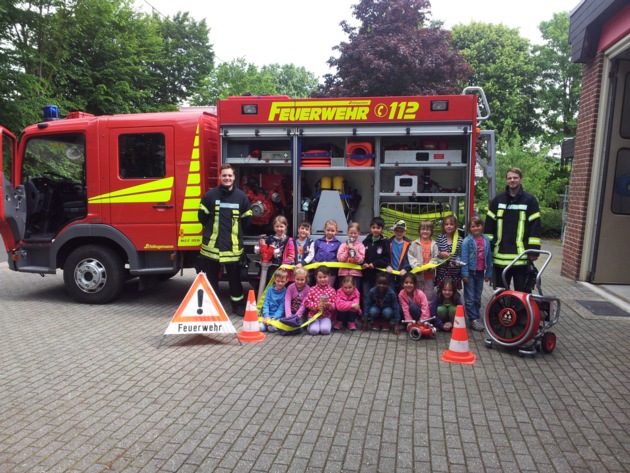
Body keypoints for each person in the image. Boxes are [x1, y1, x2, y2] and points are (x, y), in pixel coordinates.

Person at [197, 164, 252, 315]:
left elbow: (247, 220)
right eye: (224, 175)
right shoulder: (210, 195)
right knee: (211, 280)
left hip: (232, 248)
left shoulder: (241, 197)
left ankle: (238, 307)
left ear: (234, 177)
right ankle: (210, 308)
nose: (227, 178)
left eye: (230, 175)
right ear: (219, 177)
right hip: (212, 248)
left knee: (235, 280)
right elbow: (202, 217)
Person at [484, 167, 541, 293]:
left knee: (522, 292)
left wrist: (534, 251)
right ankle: (502, 313)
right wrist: (489, 249)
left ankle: (521, 313)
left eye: (515, 178)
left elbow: (535, 227)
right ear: (506, 181)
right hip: (499, 257)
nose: (512, 180)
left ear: (521, 179)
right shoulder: (497, 201)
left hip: (520, 258)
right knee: (500, 293)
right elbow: (488, 228)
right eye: (509, 178)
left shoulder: (530, 201)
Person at [461, 216, 493, 332]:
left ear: (482, 226)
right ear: (469, 228)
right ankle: (473, 319)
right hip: (469, 272)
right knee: (469, 298)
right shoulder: (467, 241)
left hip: (480, 273)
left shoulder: (486, 240)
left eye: (478, 225)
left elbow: (489, 257)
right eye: (473, 226)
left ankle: (476, 316)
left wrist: (489, 272)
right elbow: (464, 258)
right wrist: (464, 274)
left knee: (477, 297)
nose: (476, 228)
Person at [407, 220, 439, 304]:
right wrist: (417, 265)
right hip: (417, 276)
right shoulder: (414, 244)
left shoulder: (434, 244)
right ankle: (418, 313)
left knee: (429, 296)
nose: (425, 231)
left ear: (431, 231)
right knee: (417, 295)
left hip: (429, 276)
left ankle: (427, 314)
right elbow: (410, 256)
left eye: (428, 229)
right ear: (419, 231)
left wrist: (430, 266)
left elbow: (436, 258)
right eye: (423, 229)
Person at [255, 215, 295, 283]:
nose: (279, 229)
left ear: (286, 226)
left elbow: (291, 255)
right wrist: (260, 244)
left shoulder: (289, 241)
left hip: (282, 268)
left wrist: (284, 265)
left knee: (280, 284)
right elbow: (263, 250)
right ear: (273, 227)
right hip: (270, 267)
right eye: (277, 226)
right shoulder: (270, 238)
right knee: (267, 284)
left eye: (281, 226)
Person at [361, 216, 390, 308]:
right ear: (370, 228)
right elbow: (361, 255)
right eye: (373, 227)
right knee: (365, 295)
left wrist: (375, 264)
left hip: (378, 276)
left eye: (378, 228)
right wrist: (364, 263)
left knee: (377, 296)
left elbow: (386, 259)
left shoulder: (385, 242)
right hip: (366, 275)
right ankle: (366, 315)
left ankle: (375, 314)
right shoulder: (366, 241)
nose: (375, 230)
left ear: (382, 229)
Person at [304, 266, 337, 335]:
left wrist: (329, 305)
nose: (322, 279)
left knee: (325, 330)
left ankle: (325, 325)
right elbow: (307, 302)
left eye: (325, 277)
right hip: (313, 316)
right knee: (314, 331)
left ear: (329, 276)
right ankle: (310, 326)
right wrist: (316, 306)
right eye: (320, 277)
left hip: (326, 316)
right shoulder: (312, 289)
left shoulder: (332, 290)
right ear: (316, 277)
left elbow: (334, 305)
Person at [278, 267, 310, 335]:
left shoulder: (308, 289)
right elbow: (287, 301)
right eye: (297, 279)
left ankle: (292, 329)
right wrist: (288, 316)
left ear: (306, 279)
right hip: (290, 311)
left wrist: (297, 316)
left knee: (299, 327)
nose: (299, 281)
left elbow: (303, 305)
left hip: (300, 314)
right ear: (294, 278)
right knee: (282, 324)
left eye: (302, 280)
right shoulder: (290, 287)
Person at [435, 215, 463, 290]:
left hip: (454, 272)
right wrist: (440, 253)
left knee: (453, 292)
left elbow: (460, 255)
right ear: (443, 226)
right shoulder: (440, 238)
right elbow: (435, 252)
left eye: (451, 224)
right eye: (446, 224)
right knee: (441, 291)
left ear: (455, 226)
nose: (449, 226)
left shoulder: (459, 240)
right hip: (442, 271)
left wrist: (456, 262)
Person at [311, 219, 342, 287]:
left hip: (331, 272)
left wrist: (330, 263)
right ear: (324, 229)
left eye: (332, 230)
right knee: (318, 288)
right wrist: (314, 262)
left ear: (336, 231)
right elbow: (313, 255)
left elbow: (338, 258)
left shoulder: (338, 243)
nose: (330, 232)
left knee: (329, 289)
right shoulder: (318, 241)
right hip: (318, 271)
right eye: (328, 230)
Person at [337, 222, 365, 289]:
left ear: (359, 233)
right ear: (347, 233)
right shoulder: (343, 245)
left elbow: (361, 260)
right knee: (342, 293)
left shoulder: (361, 246)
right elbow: (340, 258)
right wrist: (347, 251)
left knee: (355, 293)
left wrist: (355, 252)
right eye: (351, 233)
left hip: (356, 275)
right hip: (343, 274)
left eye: (355, 233)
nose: (353, 235)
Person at [259, 268, 289, 333]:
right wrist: (266, 316)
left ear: (287, 281)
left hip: (277, 317)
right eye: (278, 281)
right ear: (274, 280)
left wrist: (274, 318)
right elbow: (266, 303)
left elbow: (282, 308)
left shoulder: (286, 292)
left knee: (271, 328)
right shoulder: (269, 290)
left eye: (282, 281)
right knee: (260, 328)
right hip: (267, 316)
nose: (280, 283)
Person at [386, 219, 412, 292]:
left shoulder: (409, 244)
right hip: (390, 272)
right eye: (397, 230)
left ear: (405, 231)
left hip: (403, 273)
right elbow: (385, 256)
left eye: (401, 231)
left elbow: (410, 258)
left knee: (402, 292)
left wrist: (406, 269)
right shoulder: (388, 242)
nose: (399, 233)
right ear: (393, 231)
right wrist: (387, 265)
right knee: (391, 291)